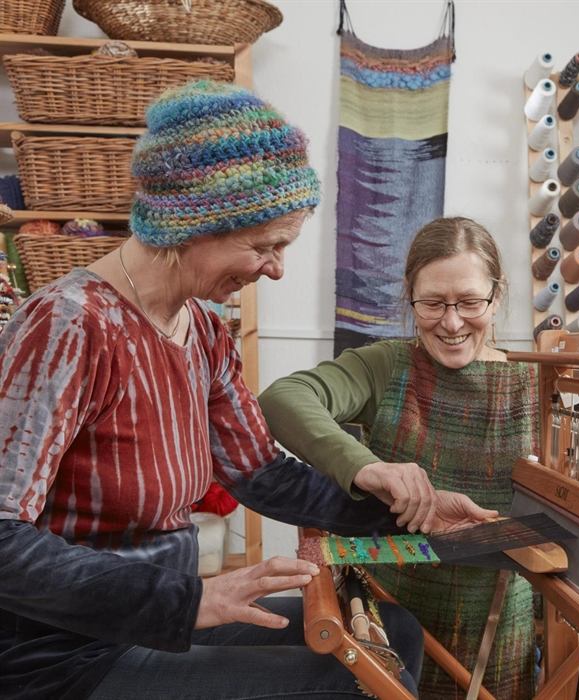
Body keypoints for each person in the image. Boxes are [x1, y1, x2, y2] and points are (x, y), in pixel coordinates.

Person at [0, 81, 499, 700]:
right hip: (65, 652)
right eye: (266, 246)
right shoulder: (68, 325)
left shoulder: (204, 331)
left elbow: (262, 475)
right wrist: (192, 599)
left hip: (159, 621)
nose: (277, 269)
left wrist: (407, 514)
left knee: (393, 633)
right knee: (352, 683)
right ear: (192, 226)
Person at [259, 217, 540, 700]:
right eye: (432, 303)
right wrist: (368, 468)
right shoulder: (386, 366)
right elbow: (283, 399)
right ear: (410, 297)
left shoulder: (533, 385)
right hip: (385, 620)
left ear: (496, 296)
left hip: (497, 628)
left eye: (470, 302)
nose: (451, 322)